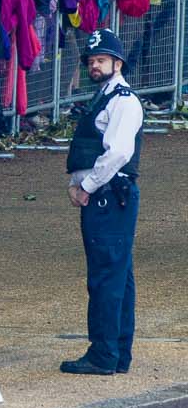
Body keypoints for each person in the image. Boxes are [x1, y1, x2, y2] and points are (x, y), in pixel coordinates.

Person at [61, 29, 143, 376]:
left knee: (106, 276)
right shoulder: (106, 97)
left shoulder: (122, 100)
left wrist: (88, 186)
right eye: (91, 61)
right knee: (118, 275)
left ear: (117, 62)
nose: (95, 66)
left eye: (101, 60)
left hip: (108, 198)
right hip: (107, 198)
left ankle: (104, 354)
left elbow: (119, 153)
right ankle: (116, 353)